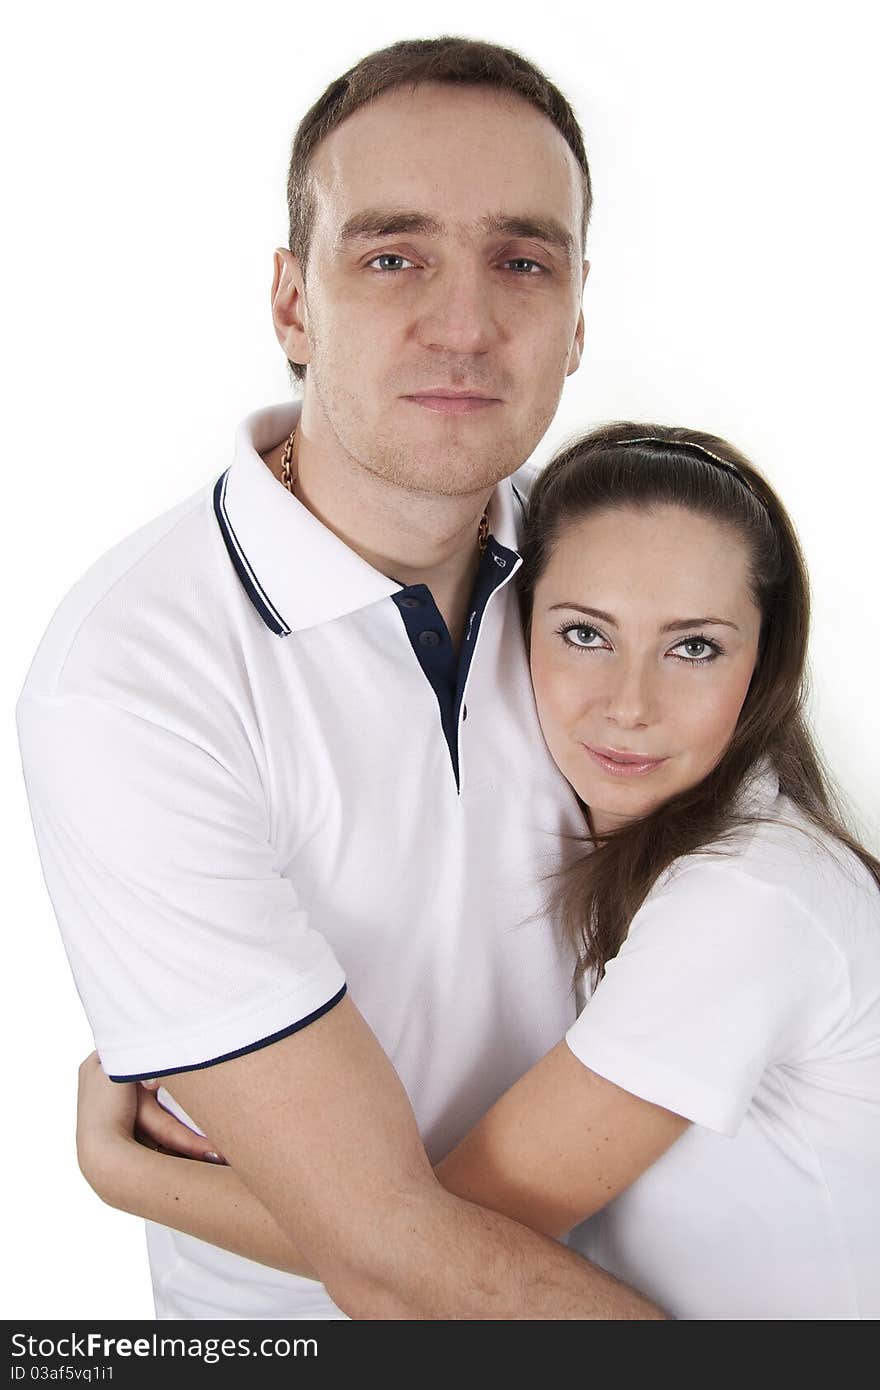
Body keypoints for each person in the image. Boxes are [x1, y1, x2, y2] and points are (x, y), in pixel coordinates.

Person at [16, 37, 670, 1320]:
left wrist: (136, 1175)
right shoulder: (135, 680)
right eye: (391, 256)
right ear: (290, 303)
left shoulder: (627, 586)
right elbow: (379, 1256)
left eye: (522, 261)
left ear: (579, 310)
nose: (467, 323)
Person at [77, 423, 880, 1319]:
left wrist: (127, 1176)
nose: (629, 704)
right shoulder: (640, 861)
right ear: (517, 629)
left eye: (694, 647)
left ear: (766, 661)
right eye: (585, 634)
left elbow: (432, 1252)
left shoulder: (749, 897)